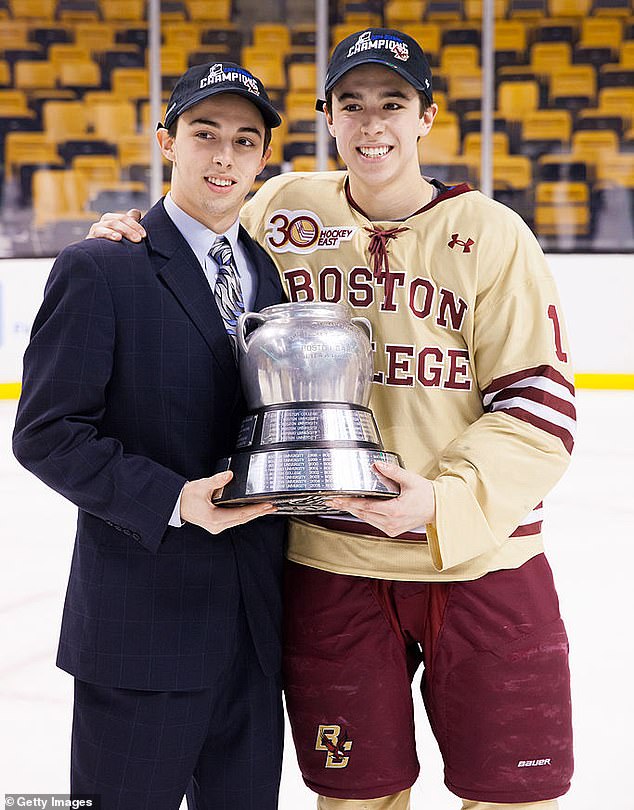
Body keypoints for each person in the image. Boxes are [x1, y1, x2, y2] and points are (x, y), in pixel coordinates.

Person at [88, 28, 575, 810]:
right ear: (328, 117)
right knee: (354, 798)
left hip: (482, 560)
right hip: (330, 561)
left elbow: (539, 400)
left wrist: (442, 501)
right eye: (352, 105)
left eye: (394, 103)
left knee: (512, 799)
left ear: (427, 116)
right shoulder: (284, 209)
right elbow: (192, 241)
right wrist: (125, 234)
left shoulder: (492, 233)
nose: (372, 123)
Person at [13, 62, 288, 810]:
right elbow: (45, 433)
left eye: (244, 139)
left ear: (264, 159)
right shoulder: (102, 266)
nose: (223, 156)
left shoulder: (272, 276)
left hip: (256, 639)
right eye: (205, 135)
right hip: (142, 640)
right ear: (167, 142)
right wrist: (174, 500)